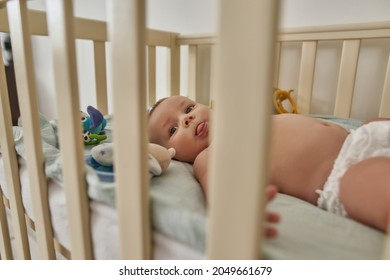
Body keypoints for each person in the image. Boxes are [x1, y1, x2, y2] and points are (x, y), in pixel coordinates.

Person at [148, 95, 390, 233]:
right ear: (175, 155)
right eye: (173, 128)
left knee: (376, 120)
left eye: (189, 108)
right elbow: (216, 186)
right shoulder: (208, 157)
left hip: (359, 134)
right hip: (343, 173)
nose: (187, 118)